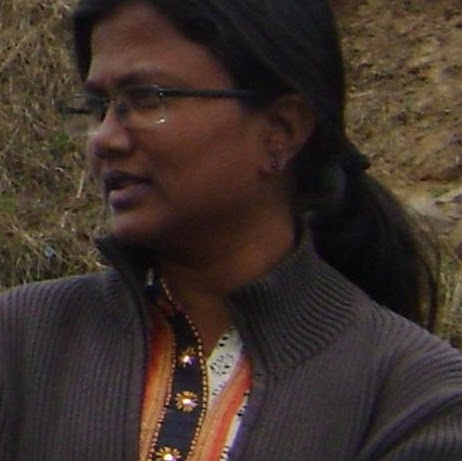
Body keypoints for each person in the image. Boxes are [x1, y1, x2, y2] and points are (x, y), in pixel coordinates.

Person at [1, 0, 461, 459]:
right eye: (97, 107)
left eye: (147, 99)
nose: (104, 138)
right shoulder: (22, 343)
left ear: (281, 129)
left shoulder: (414, 399)